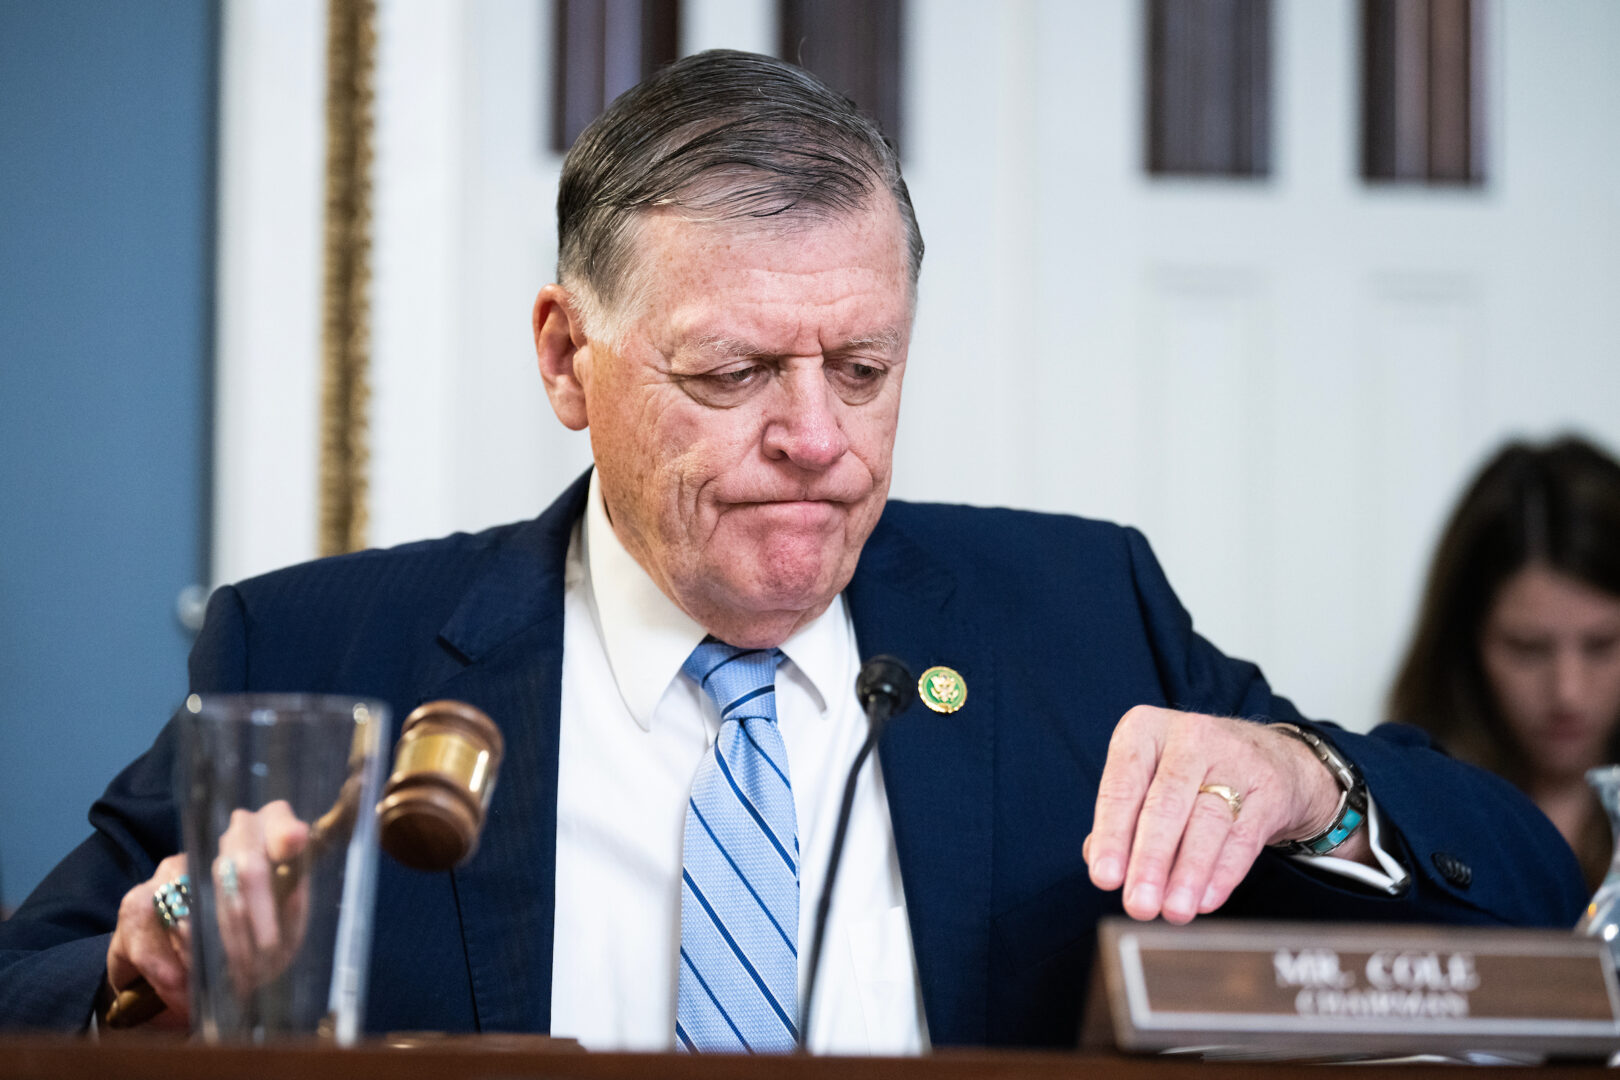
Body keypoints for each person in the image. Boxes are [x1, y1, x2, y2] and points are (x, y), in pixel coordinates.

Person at [0, 50, 1586, 1052]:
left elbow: (1523, 900)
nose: (818, 438)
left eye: (865, 369)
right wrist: (145, 980)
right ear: (568, 357)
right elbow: (43, 977)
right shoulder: (319, 651)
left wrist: (1314, 780)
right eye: (735, 372)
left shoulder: (1075, 619)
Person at [1389, 435, 1620, 893]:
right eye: (1528, 648)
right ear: (1463, 645)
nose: (1567, 692)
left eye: (1601, 644)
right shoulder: (1397, 818)